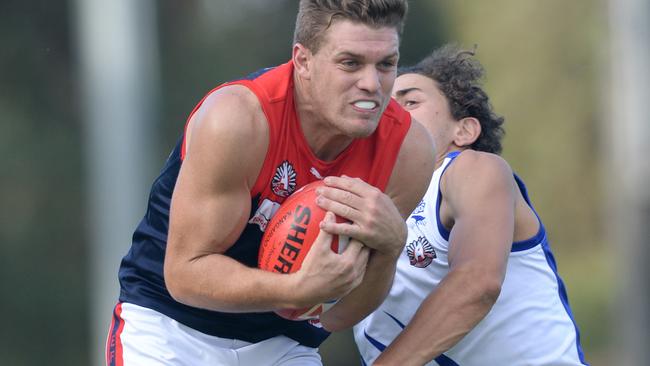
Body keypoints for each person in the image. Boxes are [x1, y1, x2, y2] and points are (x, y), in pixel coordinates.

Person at [105, 1, 435, 365]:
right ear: (303, 61)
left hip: (283, 344)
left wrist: (390, 249)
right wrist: (297, 289)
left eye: (386, 64)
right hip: (172, 328)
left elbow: (339, 316)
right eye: (350, 63)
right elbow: (184, 275)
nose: (372, 84)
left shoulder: (409, 152)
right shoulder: (238, 119)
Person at [353, 44, 588, 366]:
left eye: (410, 101)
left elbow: (477, 282)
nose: (391, 112)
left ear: (464, 130)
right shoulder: (360, 204)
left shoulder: (471, 169)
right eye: (381, 105)